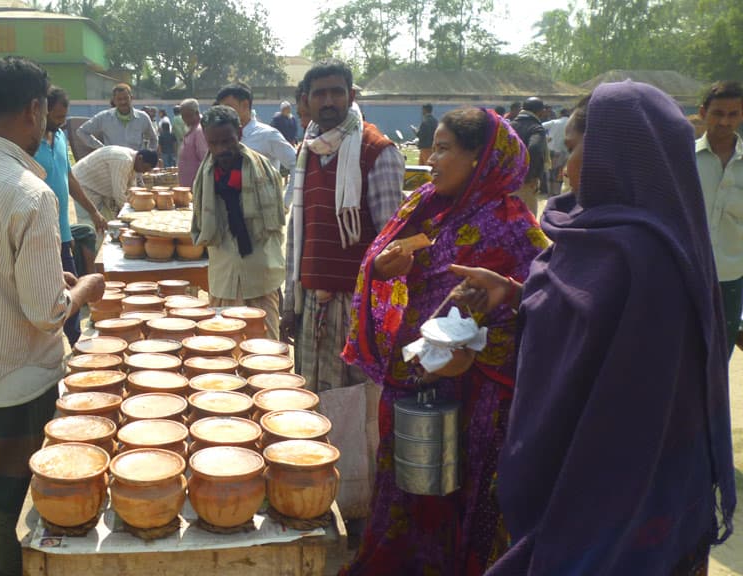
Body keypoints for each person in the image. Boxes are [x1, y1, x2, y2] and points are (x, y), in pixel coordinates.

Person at [454, 82, 736, 576]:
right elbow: (586, 326)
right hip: (627, 492)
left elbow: (605, 377)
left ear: (615, 154)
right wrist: (517, 293)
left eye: (572, 149)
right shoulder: (615, 239)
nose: (564, 168)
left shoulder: (639, 258)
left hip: (606, 492)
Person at [339, 107, 543, 575]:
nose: (430, 159)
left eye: (445, 148)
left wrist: (475, 350)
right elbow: (383, 264)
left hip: (475, 395)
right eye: (433, 146)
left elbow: (544, 310)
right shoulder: (427, 203)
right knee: (407, 483)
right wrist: (391, 270)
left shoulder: (514, 224)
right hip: (412, 378)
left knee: (457, 492)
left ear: (481, 158)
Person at [0, 56, 106, 576]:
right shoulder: (29, 192)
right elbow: (46, 314)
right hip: (18, 384)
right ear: (34, 109)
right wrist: (85, 290)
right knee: (23, 511)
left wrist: (54, 283)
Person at [282, 59, 405, 526]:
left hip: (356, 310)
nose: (329, 101)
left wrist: (372, 319)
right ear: (307, 100)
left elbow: (389, 247)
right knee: (311, 401)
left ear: (351, 96)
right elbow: (300, 232)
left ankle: (355, 512)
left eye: (337, 92)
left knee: (353, 411)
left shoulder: (377, 151)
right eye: (320, 94)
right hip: (313, 303)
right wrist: (293, 299)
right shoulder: (308, 150)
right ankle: (311, 499)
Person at [189, 105, 285, 339]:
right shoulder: (204, 178)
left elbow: (275, 229)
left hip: (260, 275)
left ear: (239, 134)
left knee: (267, 349)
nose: (221, 149)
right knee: (224, 348)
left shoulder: (265, 171)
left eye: (227, 141)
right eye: (214, 143)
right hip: (224, 277)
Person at [33, 85, 107, 346]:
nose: (61, 122)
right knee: (47, 297)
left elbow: (69, 178)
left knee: (70, 289)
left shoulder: (61, 137)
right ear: (41, 112)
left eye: (64, 117)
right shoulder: (30, 145)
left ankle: (76, 345)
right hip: (38, 233)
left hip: (62, 232)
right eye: (56, 117)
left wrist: (94, 211)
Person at [696, 81, 743, 356]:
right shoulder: (682, 159)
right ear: (703, 113)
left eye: (733, 114)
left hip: (730, 279)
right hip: (686, 274)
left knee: (718, 359)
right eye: (718, 113)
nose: (725, 122)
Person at [70, 145, 158, 231]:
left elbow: (131, 190)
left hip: (98, 187)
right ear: (140, 158)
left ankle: (100, 242)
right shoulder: (124, 161)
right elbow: (119, 195)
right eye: (145, 168)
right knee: (91, 224)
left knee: (106, 221)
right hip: (83, 184)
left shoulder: (134, 163)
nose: (143, 172)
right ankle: (87, 244)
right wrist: (132, 215)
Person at [216, 82, 297, 173]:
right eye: (221, 109)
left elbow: (295, 163)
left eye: (227, 108)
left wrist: (291, 187)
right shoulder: (222, 138)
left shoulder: (267, 135)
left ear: (245, 105)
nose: (223, 113)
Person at [77, 83, 158, 151]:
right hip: (113, 163)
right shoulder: (104, 117)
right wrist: (102, 149)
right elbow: (81, 132)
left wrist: (148, 154)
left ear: (131, 98)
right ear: (114, 100)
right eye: (119, 99)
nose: (123, 102)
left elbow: (154, 139)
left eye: (126, 98)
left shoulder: (142, 117)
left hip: (136, 164)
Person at [510, 96, 548, 214]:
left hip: (506, 178)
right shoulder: (536, 128)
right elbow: (535, 149)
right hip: (525, 181)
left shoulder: (509, 126)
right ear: (540, 111)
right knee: (528, 219)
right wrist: (529, 176)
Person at [178, 98, 208, 187]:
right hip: (188, 184)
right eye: (183, 116)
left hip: (196, 185)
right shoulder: (192, 128)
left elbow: (204, 159)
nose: (184, 119)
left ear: (196, 113)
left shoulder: (200, 131)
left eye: (187, 116)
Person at [543, 107, 570, 197]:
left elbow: (540, 126)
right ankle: (557, 193)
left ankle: (550, 193)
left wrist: (546, 137)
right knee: (560, 172)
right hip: (565, 152)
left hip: (552, 150)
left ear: (560, 114)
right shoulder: (571, 123)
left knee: (550, 172)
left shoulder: (554, 122)